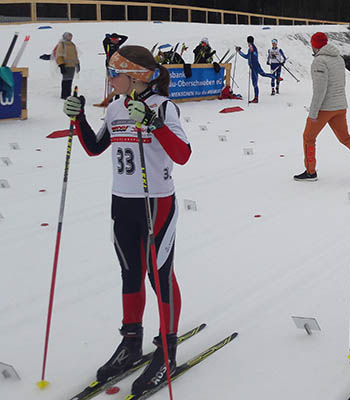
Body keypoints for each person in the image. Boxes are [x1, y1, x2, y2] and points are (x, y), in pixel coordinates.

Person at [61, 45, 191, 396]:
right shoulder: (117, 107)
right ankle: (131, 342)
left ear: (134, 77)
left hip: (157, 203)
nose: (110, 79)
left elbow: (183, 154)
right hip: (123, 202)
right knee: (130, 273)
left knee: (159, 274)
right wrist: (79, 118)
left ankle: (167, 351)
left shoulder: (163, 107)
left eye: (114, 74)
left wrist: (152, 123)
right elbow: (94, 147)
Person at [293, 32, 350, 182]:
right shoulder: (338, 58)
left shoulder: (319, 61)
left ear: (315, 45)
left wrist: (313, 112)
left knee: (308, 137)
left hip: (325, 107)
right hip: (340, 106)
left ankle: (310, 171)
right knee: (345, 138)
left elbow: (320, 89)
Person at [236, 36, 279, 103]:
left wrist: (250, 48)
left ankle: (276, 77)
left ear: (248, 41)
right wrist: (239, 52)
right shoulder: (251, 48)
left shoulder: (252, 47)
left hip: (255, 67)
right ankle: (256, 98)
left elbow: (253, 54)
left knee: (261, 76)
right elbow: (247, 57)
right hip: (253, 67)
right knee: (255, 82)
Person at [54, 32, 80, 99]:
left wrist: (77, 63)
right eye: (69, 36)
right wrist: (61, 65)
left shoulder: (72, 45)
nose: (70, 37)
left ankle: (68, 94)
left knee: (70, 80)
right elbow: (59, 55)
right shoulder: (62, 44)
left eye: (71, 36)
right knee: (65, 80)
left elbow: (75, 55)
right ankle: (64, 94)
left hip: (72, 66)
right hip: (65, 65)